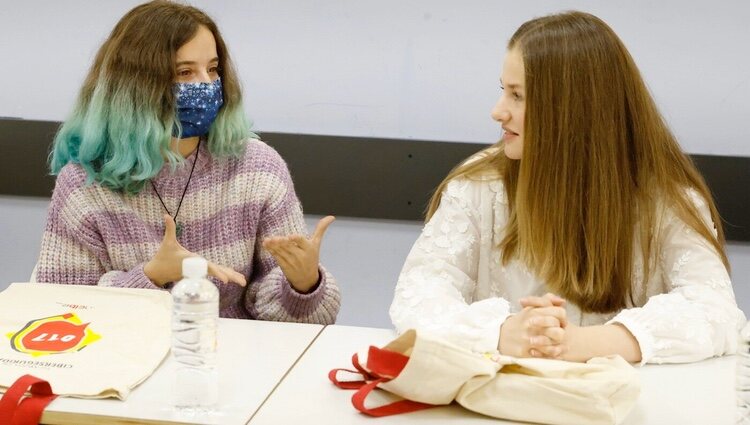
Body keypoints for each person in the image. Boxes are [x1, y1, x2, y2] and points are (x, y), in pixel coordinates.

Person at [389, 11, 744, 364]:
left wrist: (582, 343)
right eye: (503, 90)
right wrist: (502, 332)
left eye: (517, 96)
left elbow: (715, 312)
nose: (498, 111)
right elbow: (417, 293)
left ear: (571, 111)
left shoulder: (667, 200)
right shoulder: (477, 186)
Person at [35, 0, 340, 324]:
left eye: (212, 69)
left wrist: (304, 285)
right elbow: (61, 313)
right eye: (185, 72)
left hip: (233, 359)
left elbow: (298, 321)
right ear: (136, 84)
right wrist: (151, 276)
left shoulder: (256, 167)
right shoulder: (85, 182)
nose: (206, 84)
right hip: (126, 361)